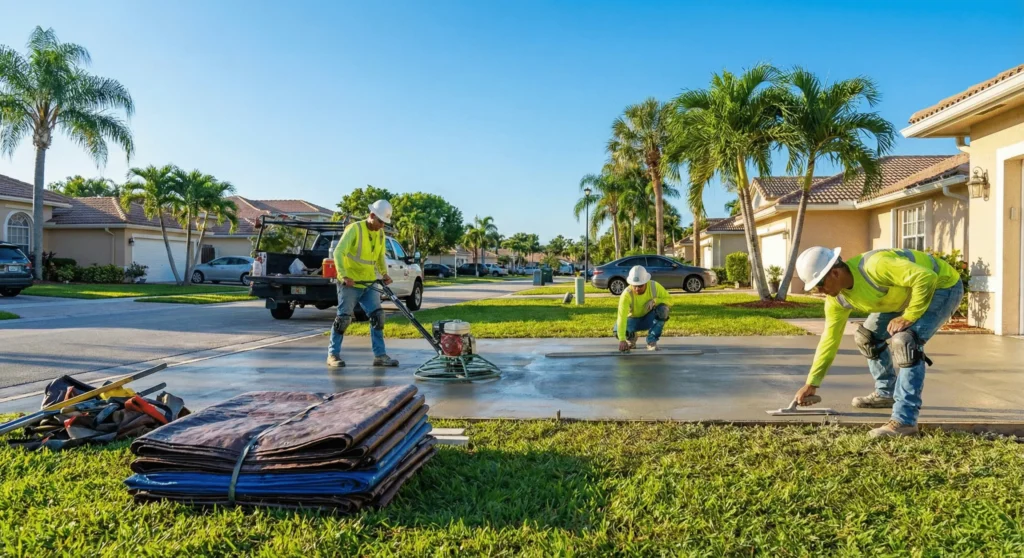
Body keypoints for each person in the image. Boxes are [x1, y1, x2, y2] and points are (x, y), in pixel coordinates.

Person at [793, 246, 964, 438]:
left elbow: (926, 277)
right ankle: (885, 393)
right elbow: (829, 340)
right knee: (867, 338)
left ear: (834, 272)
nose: (820, 291)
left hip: (943, 285)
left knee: (906, 342)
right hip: (903, 296)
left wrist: (910, 316)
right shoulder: (837, 300)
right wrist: (812, 383)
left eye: (820, 284)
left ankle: (904, 421)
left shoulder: (875, 266)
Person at [327, 199, 400, 368]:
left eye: (384, 222)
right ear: (372, 215)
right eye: (380, 221)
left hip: (369, 282)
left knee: (378, 316)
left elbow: (379, 256)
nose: (382, 225)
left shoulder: (380, 234)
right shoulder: (354, 229)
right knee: (343, 319)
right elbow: (339, 252)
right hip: (350, 282)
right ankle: (333, 355)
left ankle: (380, 356)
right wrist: (344, 275)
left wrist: (384, 274)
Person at [614, 265, 671, 352]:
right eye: (634, 286)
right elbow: (621, 317)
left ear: (646, 282)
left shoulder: (654, 286)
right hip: (632, 321)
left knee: (663, 310)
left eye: (640, 286)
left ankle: (651, 341)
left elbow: (670, 300)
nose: (637, 289)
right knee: (616, 331)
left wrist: (655, 301)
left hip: (649, 319)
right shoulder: (626, 295)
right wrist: (622, 339)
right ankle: (631, 337)